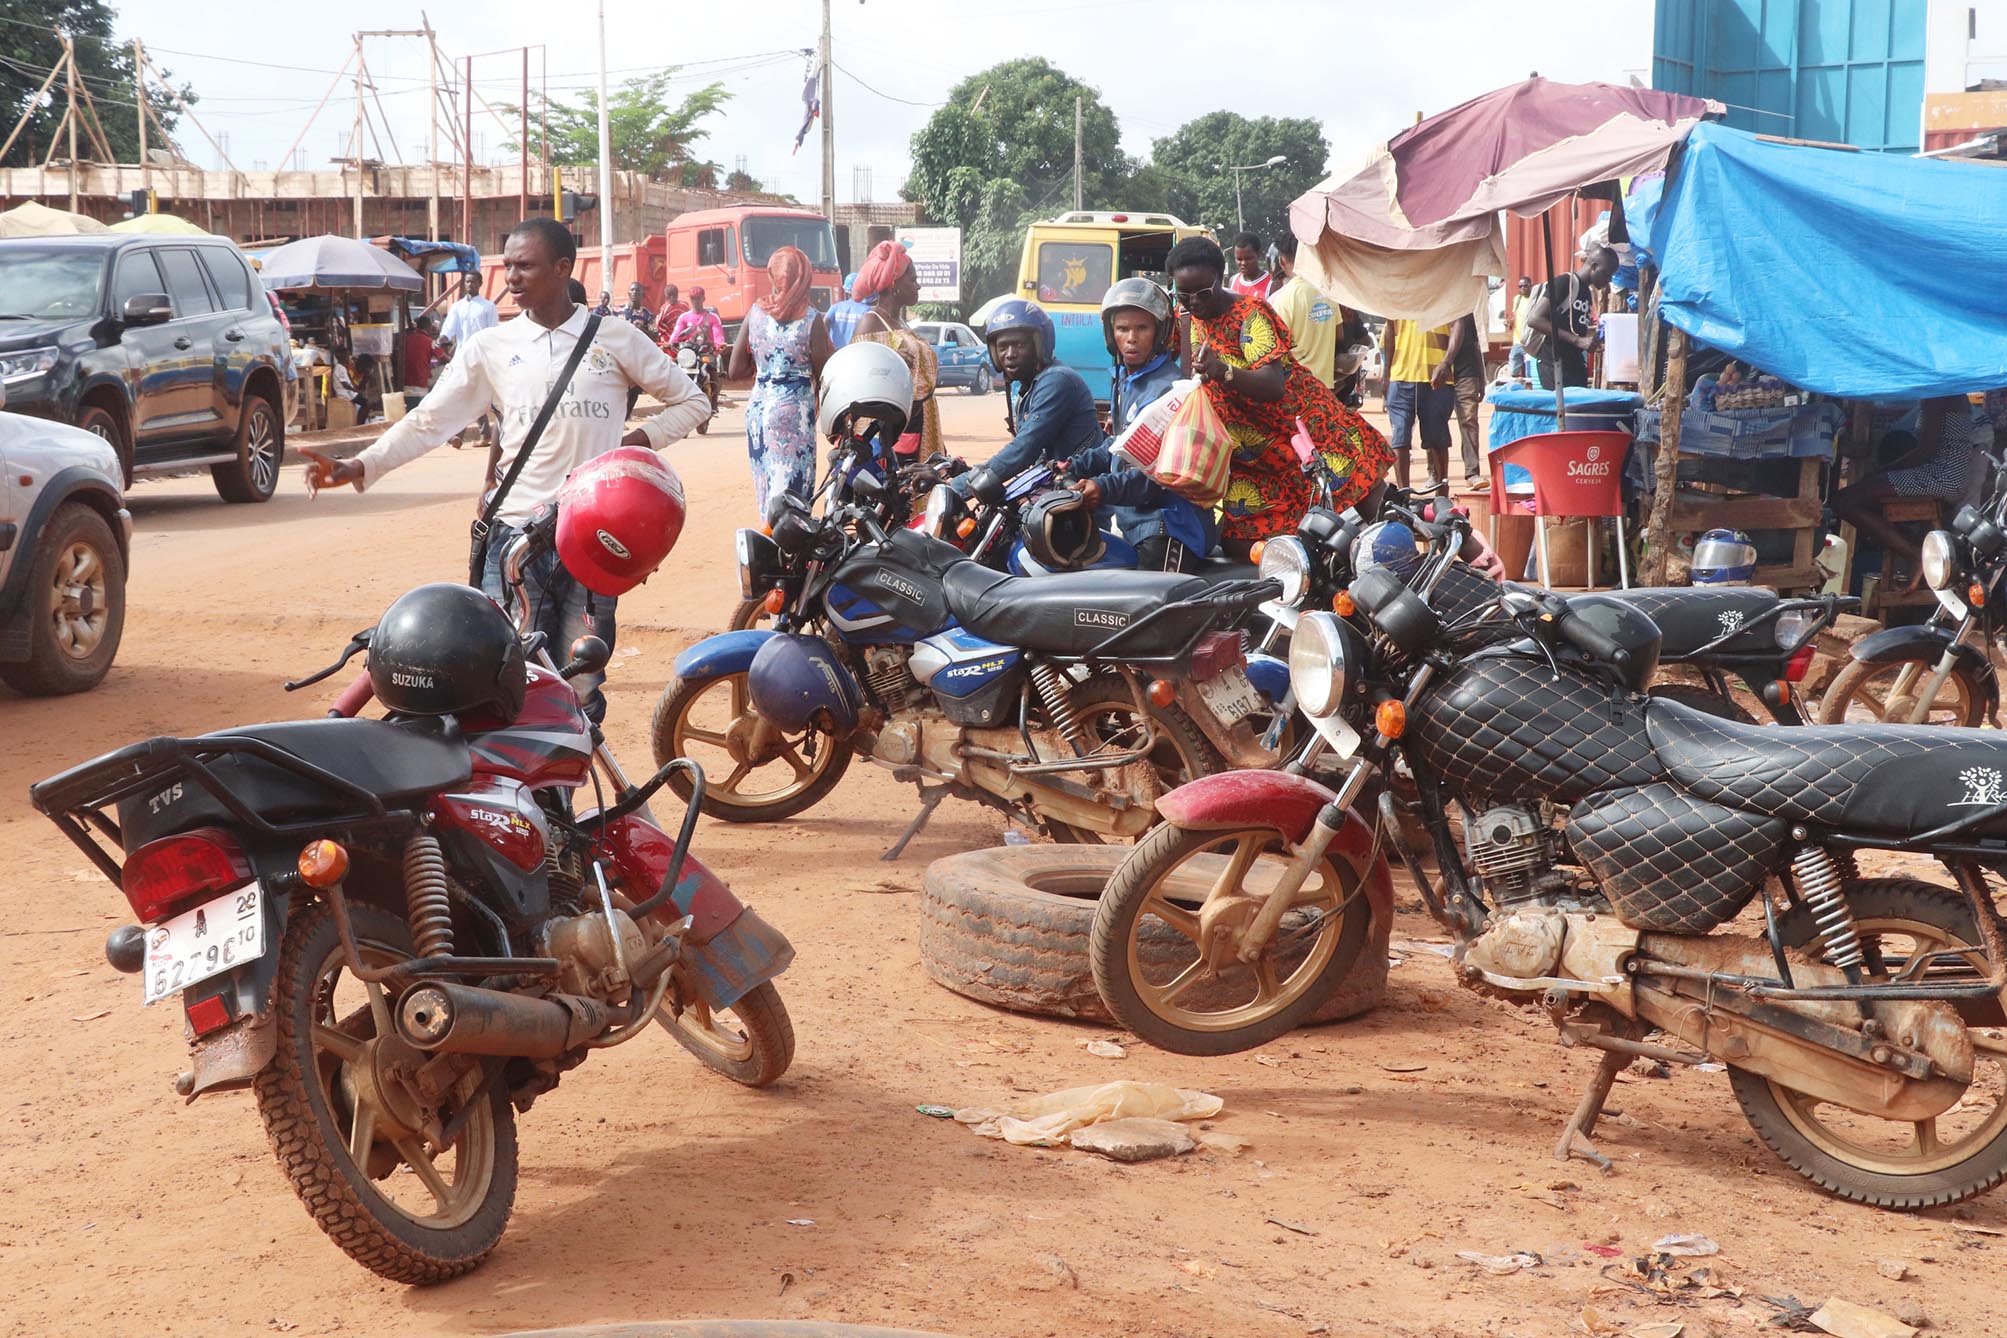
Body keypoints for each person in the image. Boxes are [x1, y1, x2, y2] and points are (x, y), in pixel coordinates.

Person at [298, 217, 711, 723]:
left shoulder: (616, 338)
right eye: (508, 266)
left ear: (563, 269)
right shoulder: (489, 349)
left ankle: (563, 798)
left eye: (525, 266)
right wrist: (361, 465)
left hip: (596, 542)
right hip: (515, 537)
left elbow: (691, 401)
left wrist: (628, 449)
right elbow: (430, 420)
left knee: (579, 685)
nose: (511, 277)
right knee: (505, 678)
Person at [1167, 235, 1392, 554]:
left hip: (1305, 432)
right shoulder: (1185, 317)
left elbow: (1273, 384)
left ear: (1220, 279)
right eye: (1184, 294)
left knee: (1373, 503)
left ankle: (1434, 568)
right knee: (1239, 543)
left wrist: (1222, 371)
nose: (1194, 301)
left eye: (1204, 291)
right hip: (1255, 456)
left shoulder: (1249, 313)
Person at [1058, 278, 1214, 571]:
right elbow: (1119, 444)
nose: (1131, 337)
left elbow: (1154, 476)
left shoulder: (1168, 390)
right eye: (1122, 329)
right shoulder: (1128, 380)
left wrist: (1101, 488)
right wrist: (1073, 465)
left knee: (1154, 616)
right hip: (1135, 524)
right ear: (1110, 335)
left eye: (1142, 328)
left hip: (1168, 530)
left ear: (1159, 333)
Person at [1834, 393, 1998, 586]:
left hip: (1940, 477)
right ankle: (1920, 551)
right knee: (1865, 501)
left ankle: (1915, 555)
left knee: (1843, 501)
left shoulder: (1935, 394)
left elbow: (1924, 451)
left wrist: (1882, 471)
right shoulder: (1949, 391)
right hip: (1945, 477)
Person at [728, 245, 833, 513]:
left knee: (767, 493)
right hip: (793, 414)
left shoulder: (755, 313)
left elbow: (735, 370)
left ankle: (768, 548)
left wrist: (767, 365)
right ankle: (786, 553)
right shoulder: (812, 320)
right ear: (804, 278)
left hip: (758, 412)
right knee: (792, 495)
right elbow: (825, 373)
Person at [955, 299, 1100, 490]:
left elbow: (1023, 451)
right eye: (1002, 347)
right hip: (1053, 491)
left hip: (1078, 499)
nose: (1010, 354)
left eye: (1020, 345)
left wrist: (957, 488)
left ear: (1039, 346)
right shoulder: (1030, 387)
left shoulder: (1057, 380)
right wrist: (964, 471)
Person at [852, 241, 942, 458]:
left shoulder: (902, 324)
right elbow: (858, 378)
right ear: (894, 284)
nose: (918, 286)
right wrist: (889, 362)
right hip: (890, 433)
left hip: (919, 422)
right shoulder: (871, 322)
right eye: (913, 280)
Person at [1527, 246, 1619, 390]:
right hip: (1554, 364)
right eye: (1607, 274)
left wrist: (1591, 342)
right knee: (1561, 411)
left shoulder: (1586, 293)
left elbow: (1575, 329)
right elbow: (1535, 319)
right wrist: (1577, 340)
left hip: (1574, 365)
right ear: (1594, 266)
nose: (1609, 279)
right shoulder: (1564, 283)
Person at [1381, 319, 1455, 490]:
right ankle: (1403, 494)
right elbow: (1390, 329)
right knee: (1400, 439)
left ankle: (1442, 494)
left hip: (1437, 376)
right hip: (1400, 376)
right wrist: (1386, 375)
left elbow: (1457, 325)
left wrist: (1446, 362)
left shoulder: (1444, 292)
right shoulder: (1398, 294)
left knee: (1438, 439)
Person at [1267, 235, 1340, 389]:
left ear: (1281, 261)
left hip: (1297, 388)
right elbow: (1339, 335)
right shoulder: (1328, 291)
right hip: (1325, 387)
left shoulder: (1284, 298)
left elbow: (1275, 347)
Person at [438, 272, 500, 447]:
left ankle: (460, 433)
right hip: (461, 357)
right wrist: (442, 338)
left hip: (480, 357)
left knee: (470, 394)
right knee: (464, 394)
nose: (470, 284)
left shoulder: (488, 307)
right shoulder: (457, 307)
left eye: (473, 281)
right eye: (467, 281)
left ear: (480, 283)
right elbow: (449, 329)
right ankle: (479, 433)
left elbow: (492, 333)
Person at [1435, 314, 1487, 490]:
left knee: (1469, 421)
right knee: (1434, 421)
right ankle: (1434, 473)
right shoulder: (1433, 306)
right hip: (1438, 373)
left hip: (1466, 372)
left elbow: (1475, 345)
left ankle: (1472, 472)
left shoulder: (1467, 312)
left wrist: (1481, 377)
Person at [667, 286, 725, 353]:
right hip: (690, 354)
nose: (695, 301)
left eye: (698, 298)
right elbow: (676, 334)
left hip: (709, 354)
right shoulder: (683, 317)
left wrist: (719, 345)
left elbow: (718, 337)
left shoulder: (713, 317)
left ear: (703, 299)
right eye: (693, 298)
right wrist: (670, 344)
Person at [825, 271, 872, 350]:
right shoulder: (867, 311)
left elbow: (824, 325)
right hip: (855, 354)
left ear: (846, 291)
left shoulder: (835, 307)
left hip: (834, 354)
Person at [1227, 231, 1273, 302]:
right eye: (1239, 259)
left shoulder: (1271, 283)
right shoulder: (1233, 281)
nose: (1243, 263)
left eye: (1248, 258)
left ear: (1258, 255)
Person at [1507, 276, 1534, 382]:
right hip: (1518, 341)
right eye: (1520, 286)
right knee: (1513, 368)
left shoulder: (1534, 300)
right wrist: (1510, 322)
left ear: (1530, 286)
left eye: (1525, 286)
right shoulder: (1517, 299)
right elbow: (1515, 316)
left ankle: (1531, 391)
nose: (1522, 288)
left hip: (1529, 341)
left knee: (1530, 372)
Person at [400, 315, 436, 393]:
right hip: (421, 382)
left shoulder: (407, 339)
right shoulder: (429, 341)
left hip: (406, 381)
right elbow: (444, 358)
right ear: (428, 326)